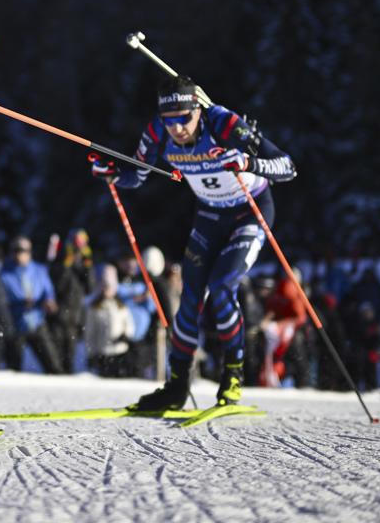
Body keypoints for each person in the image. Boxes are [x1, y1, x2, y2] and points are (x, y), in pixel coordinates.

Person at [93, 74, 296, 411]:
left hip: (249, 211)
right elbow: (136, 176)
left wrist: (249, 162)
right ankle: (176, 387)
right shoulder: (157, 132)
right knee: (189, 296)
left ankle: (232, 377)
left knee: (222, 286)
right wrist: (111, 173)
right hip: (210, 216)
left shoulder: (223, 123)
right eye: (168, 120)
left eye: (184, 118)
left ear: (198, 109)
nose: (177, 128)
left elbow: (287, 166)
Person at [0, 236, 65, 374]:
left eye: (23, 250)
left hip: (38, 323)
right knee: (12, 371)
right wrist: (20, 305)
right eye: (16, 250)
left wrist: (49, 302)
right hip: (16, 326)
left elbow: (48, 291)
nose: (20, 254)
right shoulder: (3, 274)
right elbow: (1, 302)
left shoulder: (40, 270)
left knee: (54, 367)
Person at [48, 229, 95, 373]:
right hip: (58, 315)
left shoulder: (83, 265)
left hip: (74, 317)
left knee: (69, 357)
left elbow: (90, 288)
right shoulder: (59, 261)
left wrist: (88, 266)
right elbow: (58, 286)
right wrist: (66, 265)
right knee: (56, 358)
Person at [86, 264, 135, 377]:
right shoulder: (95, 308)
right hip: (103, 351)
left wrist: (126, 335)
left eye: (110, 288)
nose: (107, 291)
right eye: (104, 287)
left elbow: (128, 324)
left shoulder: (120, 306)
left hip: (119, 350)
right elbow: (90, 332)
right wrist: (91, 353)